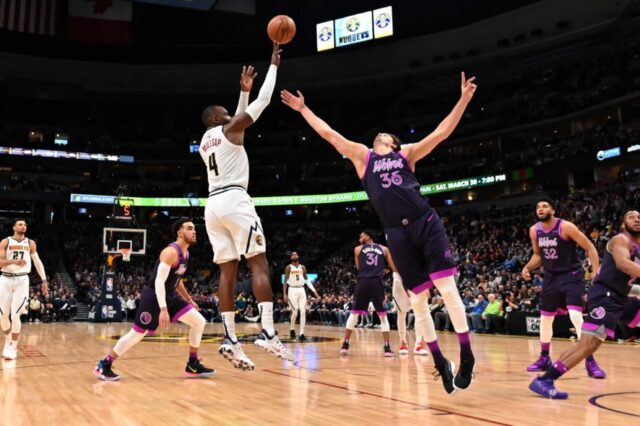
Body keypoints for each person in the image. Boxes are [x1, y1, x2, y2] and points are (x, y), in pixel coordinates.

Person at [282, 73, 477, 394]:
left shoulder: (407, 154)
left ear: (394, 143)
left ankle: (467, 354)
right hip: (396, 235)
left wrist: (464, 99)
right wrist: (304, 110)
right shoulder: (363, 157)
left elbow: (442, 132)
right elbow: (330, 135)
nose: (378, 136)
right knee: (418, 303)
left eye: (384, 135)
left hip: (425, 223)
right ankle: (440, 362)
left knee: (448, 289)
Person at [199, 43, 293, 369]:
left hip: (212, 206)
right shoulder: (227, 128)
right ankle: (267, 331)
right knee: (259, 263)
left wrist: (241, 94)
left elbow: (235, 121)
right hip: (236, 200)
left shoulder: (205, 142)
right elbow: (262, 103)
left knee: (227, 271)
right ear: (215, 117)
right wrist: (274, 65)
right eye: (224, 110)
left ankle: (230, 338)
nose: (230, 112)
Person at [529, 211, 640, 399]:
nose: (637, 219)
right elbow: (623, 265)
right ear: (623, 224)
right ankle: (545, 380)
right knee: (588, 344)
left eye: (639, 217)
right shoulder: (620, 240)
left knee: (589, 344)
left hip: (621, 297)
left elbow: (628, 282)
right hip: (605, 297)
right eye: (631, 217)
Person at [94, 219, 214, 381]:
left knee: (199, 322)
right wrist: (163, 309)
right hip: (153, 296)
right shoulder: (170, 252)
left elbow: (177, 280)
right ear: (180, 233)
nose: (194, 231)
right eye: (189, 228)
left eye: (194, 229)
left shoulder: (186, 254)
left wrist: (188, 299)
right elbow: (159, 281)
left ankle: (192, 364)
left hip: (170, 295)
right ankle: (104, 364)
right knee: (137, 335)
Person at [522, 198, 605, 378]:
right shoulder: (534, 230)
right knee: (545, 319)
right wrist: (527, 267)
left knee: (575, 315)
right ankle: (544, 358)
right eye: (538, 206)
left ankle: (590, 360)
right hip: (551, 277)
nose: (540, 209)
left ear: (553, 209)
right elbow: (538, 255)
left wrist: (596, 272)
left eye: (544, 206)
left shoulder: (565, 227)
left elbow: (590, 247)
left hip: (571, 275)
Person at [340, 230, 397, 357]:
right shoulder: (384, 249)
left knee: (354, 313)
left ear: (368, 236)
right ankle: (387, 347)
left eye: (362, 235)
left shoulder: (358, 249)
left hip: (363, 282)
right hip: (376, 282)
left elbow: (359, 267)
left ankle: (345, 344)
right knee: (383, 315)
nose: (360, 237)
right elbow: (393, 267)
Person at [0, 219, 48, 360]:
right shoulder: (6, 242)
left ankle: (13, 346)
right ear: (14, 227)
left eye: (25, 225)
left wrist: (44, 280)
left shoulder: (30, 243)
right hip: (5, 278)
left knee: (15, 315)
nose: (23, 226)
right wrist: (14, 262)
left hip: (22, 279)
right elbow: (0, 262)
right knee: (3, 316)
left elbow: (37, 262)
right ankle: (8, 341)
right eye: (20, 224)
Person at [284, 251, 320, 341]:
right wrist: (284, 294)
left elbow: (307, 281)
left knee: (303, 311)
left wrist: (315, 293)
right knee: (295, 311)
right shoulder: (289, 267)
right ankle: (292, 329)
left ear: (298, 256)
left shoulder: (302, 267)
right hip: (292, 289)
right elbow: (285, 282)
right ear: (291, 258)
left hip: (301, 289)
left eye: (296, 254)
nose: (294, 255)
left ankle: (302, 334)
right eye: (292, 255)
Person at [392, 272, 428, 355]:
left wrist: (426, 283)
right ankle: (403, 343)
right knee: (401, 313)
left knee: (419, 312)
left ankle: (419, 344)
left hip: (416, 276)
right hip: (399, 276)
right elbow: (391, 259)